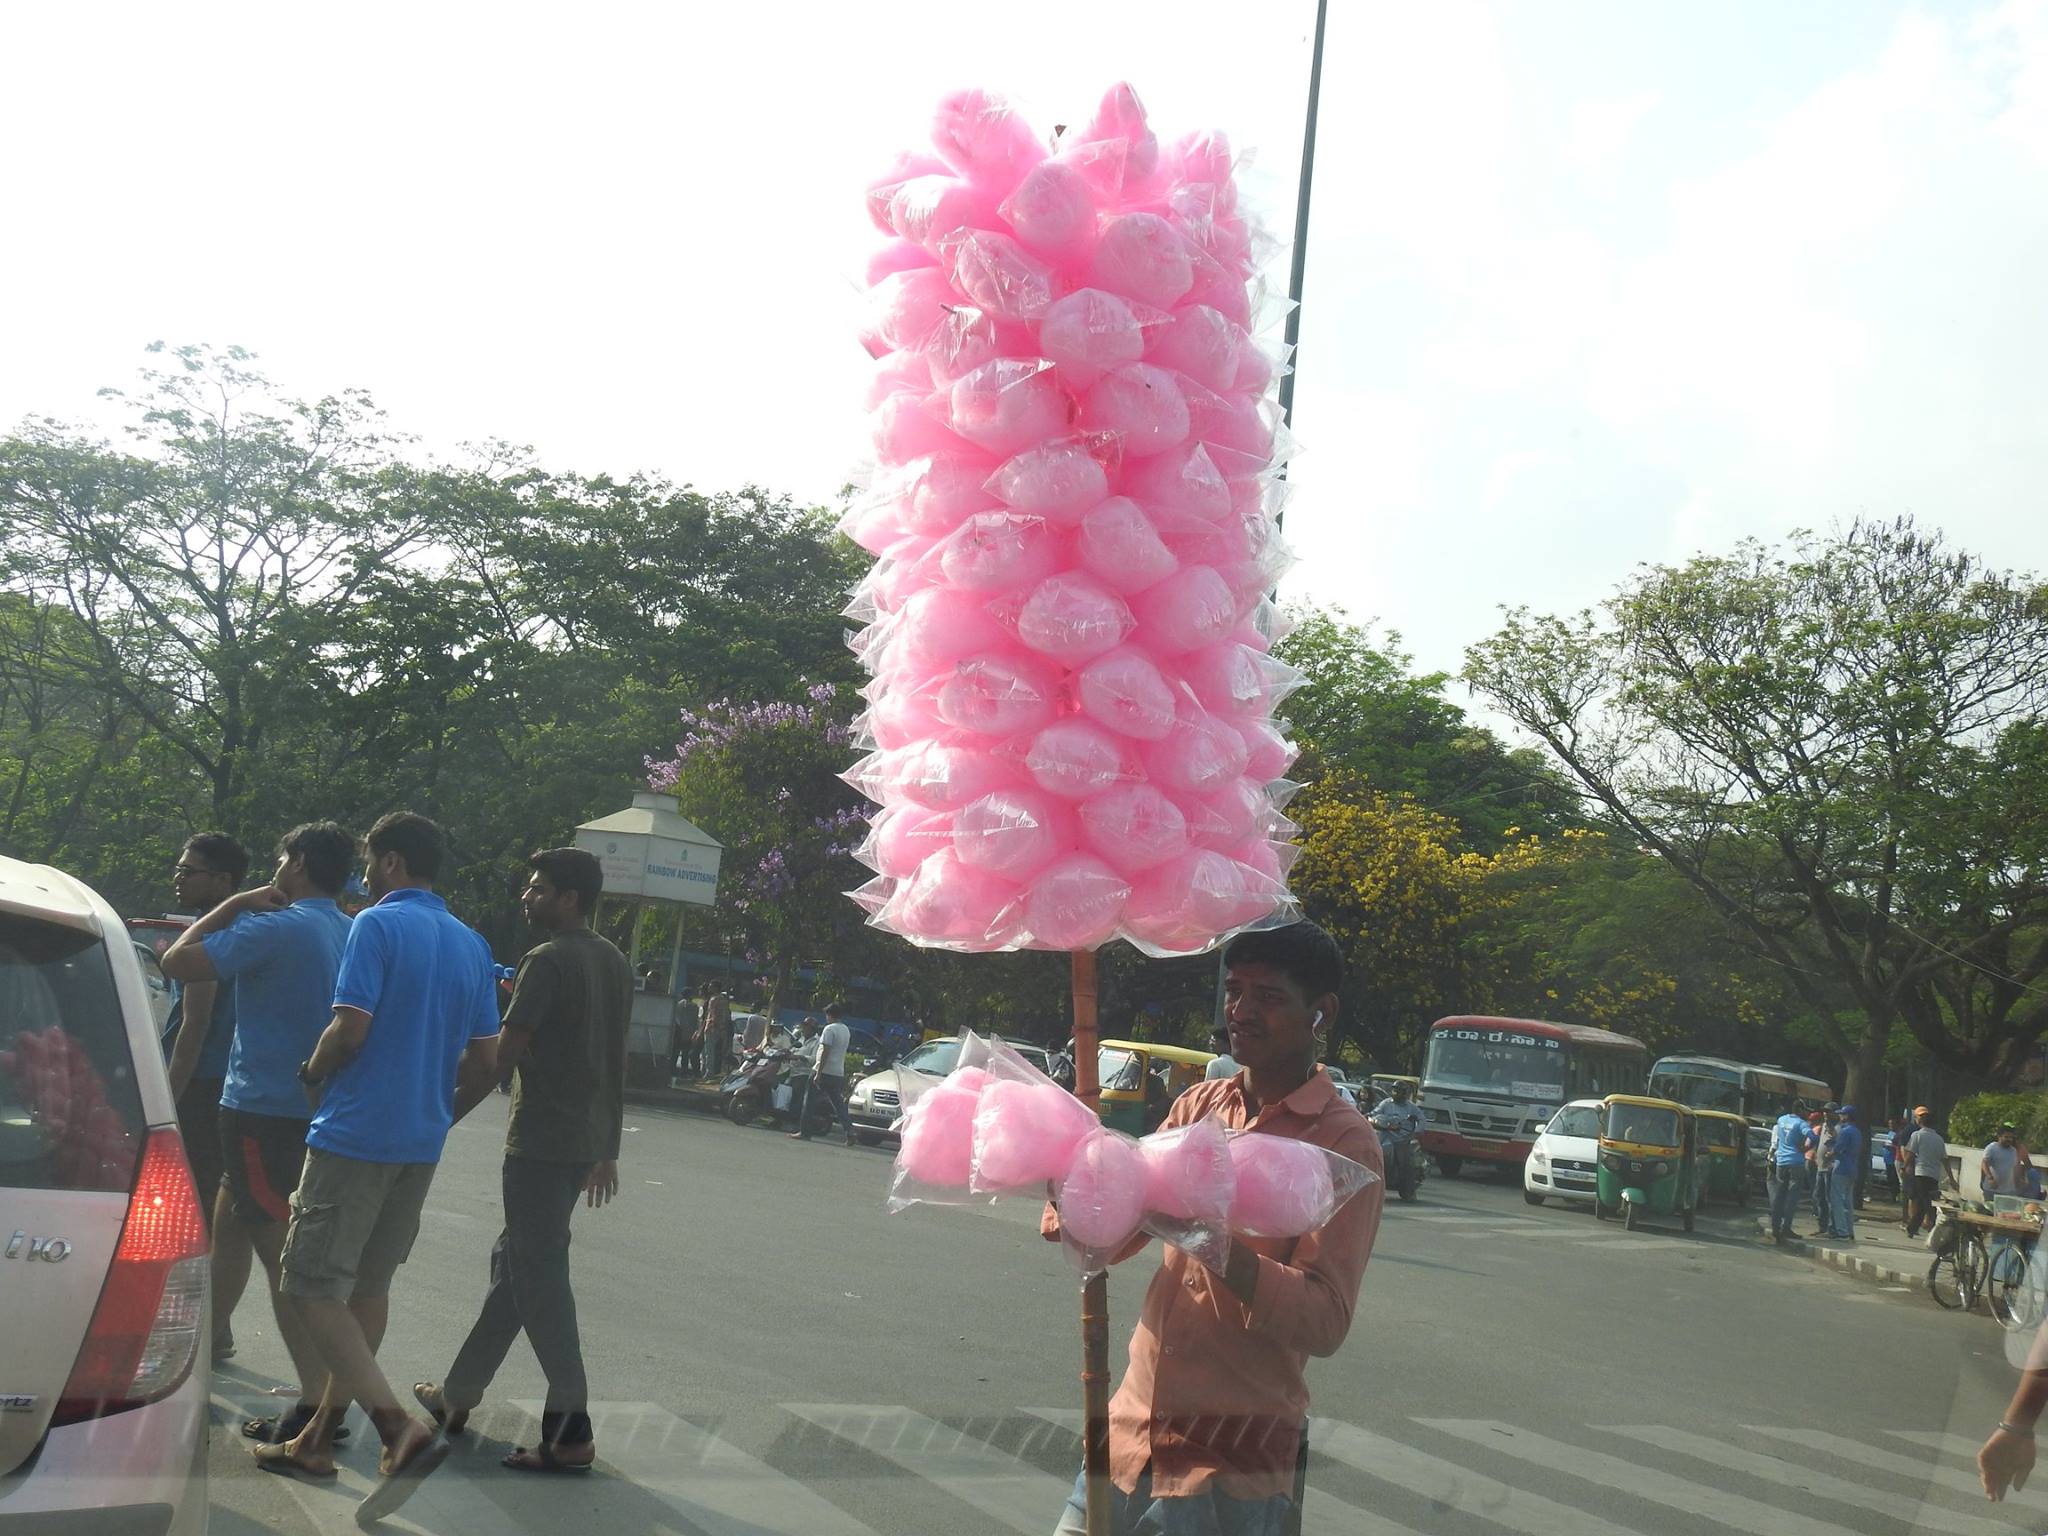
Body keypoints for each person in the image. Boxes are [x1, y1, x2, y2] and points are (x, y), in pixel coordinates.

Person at [1041, 921, 1381, 1536]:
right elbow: (1114, 1243)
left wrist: (1215, 1245)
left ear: (1320, 1012)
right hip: (1127, 1436)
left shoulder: (1343, 1141)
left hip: (1231, 1469)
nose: (1241, 1012)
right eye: (1234, 990)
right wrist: (1076, 1186)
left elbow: (1325, 1320)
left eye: (1268, 997)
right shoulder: (1199, 1106)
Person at [254, 812, 500, 1528]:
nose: (365, 872)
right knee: (368, 1287)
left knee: (308, 1285)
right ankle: (314, 1440)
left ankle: (398, 1430)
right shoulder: (472, 943)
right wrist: (437, 1113)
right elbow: (486, 1063)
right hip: (418, 1145)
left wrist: (312, 1072)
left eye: (369, 860)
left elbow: (349, 1026)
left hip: (353, 1135)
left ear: (390, 863)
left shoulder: (377, 926)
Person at [415, 847, 632, 1474]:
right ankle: (458, 1396)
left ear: (569, 898)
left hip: (539, 1145)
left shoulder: (547, 960)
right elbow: (614, 1063)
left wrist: (433, 1113)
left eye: (538, 889)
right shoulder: (612, 959)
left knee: (539, 1283)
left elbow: (497, 1059)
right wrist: (608, 1148)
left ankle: (570, 1431)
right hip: (580, 1144)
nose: (527, 897)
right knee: (517, 1268)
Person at [160, 822, 355, 1445]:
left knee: (283, 1261)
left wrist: (235, 903)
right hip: (308, 1108)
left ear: (297, 863)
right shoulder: (348, 929)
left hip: (259, 1109)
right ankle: (196, 1352)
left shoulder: (274, 925)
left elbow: (178, 959)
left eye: (280, 858)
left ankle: (317, 1399)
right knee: (230, 1226)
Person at [791, 1004, 854, 1145]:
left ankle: (804, 1131)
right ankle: (850, 1131)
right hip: (837, 1071)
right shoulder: (845, 1030)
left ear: (829, 1015)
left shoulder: (829, 1029)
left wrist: (818, 1072)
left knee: (809, 1102)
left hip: (823, 1069)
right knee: (838, 1104)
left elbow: (825, 1051)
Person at [1766, 1110, 1812, 1243]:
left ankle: (1775, 1226)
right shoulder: (1801, 1124)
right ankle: (1786, 1227)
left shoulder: (1781, 1120)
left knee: (1779, 1194)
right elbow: (1813, 1136)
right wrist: (1806, 1148)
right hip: (1796, 1162)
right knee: (1792, 1196)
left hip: (1781, 1161)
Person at [1903, 1105, 1948, 1240]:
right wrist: (1951, 1178)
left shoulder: (1917, 1135)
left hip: (1921, 1172)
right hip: (1934, 1175)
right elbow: (1944, 1159)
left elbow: (1910, 1154)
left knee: (1925, 1203)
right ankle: (1915, 1228)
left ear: (1920, 1122)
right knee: (1926, 1202)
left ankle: (1924, 1227)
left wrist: (1905, 1167)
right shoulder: (1939, 1139)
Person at [1829, 1105, 1862, 1241]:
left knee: (1837, 1201)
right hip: (1852, 1168)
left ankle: (1841, 1231)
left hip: (1841, 1167)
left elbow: (1837, 1149)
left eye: (1842, 1115)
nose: (1840, 1117)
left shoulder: (1845, 1131)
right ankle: (1849, 1230)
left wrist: (1828, 1154)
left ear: (1847, 1116)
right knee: (1848, 1201)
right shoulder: (1857, 1132)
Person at [1811, 1107, 1839, 1236]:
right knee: (1819, 1196)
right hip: (1820, 1167)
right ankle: (1822, 1226)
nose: (1826, 1114)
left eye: (1829, 1112)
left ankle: (1832, 1227)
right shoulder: (1823, 1127)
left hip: (1829, 1168)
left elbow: (1837, 1146)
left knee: (1829, 1198)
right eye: (1825, 1112)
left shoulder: (1837, 1129)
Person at [1984, 1123, 2029, 1199]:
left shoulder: (2013, 1151)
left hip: (2008, 1192)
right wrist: (1990, 1178)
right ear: (1999, 1136)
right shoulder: (1992, 1148)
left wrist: (2019, 1181)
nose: (2009, 1139)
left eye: (2011, 1137)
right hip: (1992, 1190)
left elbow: (2016, 1168)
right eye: (2006, 1137)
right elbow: (1984, 1163)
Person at [698, 982, 730, 1080]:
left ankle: (708, 1073)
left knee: (708, 1051)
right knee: (709, 1051)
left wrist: (711, 1025)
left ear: (716, 988)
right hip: (720, 1028)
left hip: (711, 1027)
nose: (709, 987)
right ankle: (706, 1071)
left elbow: (712, 1014)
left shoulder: (713, 999)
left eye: (711, 986)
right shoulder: (724, 999)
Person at [669, 987, 700, 1087]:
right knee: (685, 1054)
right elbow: (696, 1021)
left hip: (678, 1032)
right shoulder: (695, 1006)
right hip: (689, 1033)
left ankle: (672, 1070)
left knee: (675, 1053)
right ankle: (684, 1071)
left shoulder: (678, 1004)